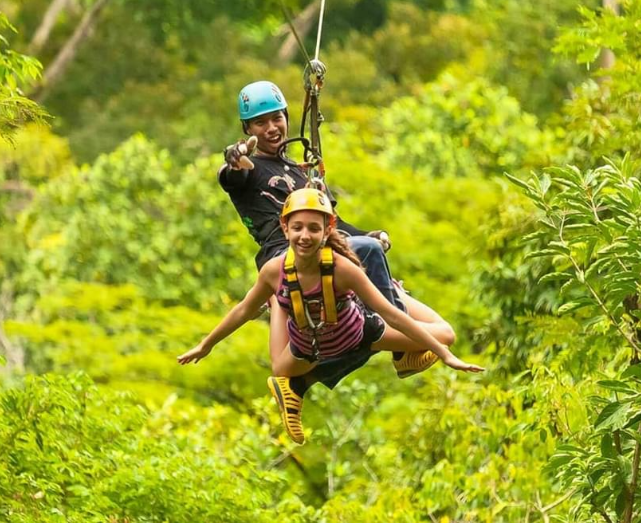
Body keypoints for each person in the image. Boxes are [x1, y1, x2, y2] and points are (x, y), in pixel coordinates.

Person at [216, 80, 438, 437]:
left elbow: (334, 225)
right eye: (260, 123)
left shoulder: (303, 173)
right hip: (287, 254)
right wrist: (236, 156)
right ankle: (400, 348)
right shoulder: (250, 170)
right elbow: (232, 176)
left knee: (360, 318)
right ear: (247, 129)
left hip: (322, 249)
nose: (271, 128)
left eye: (276, 119)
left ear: (287, 118)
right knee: (365, 256)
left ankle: (301, 386)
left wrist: (371, 233)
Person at [178, 188, 484, 443]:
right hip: (308, 349)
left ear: (329, 229)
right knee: (279, 367)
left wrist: (444, 354)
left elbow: (390, 313)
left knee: (445, 334)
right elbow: (243, 310)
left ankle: (398, 298)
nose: (305, 236)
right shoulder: (274, 271)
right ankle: (286, 312)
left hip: (361, 335)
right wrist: (206, 344)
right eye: (297, 228)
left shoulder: (343, 269)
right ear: (285, 228)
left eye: (314, 228)